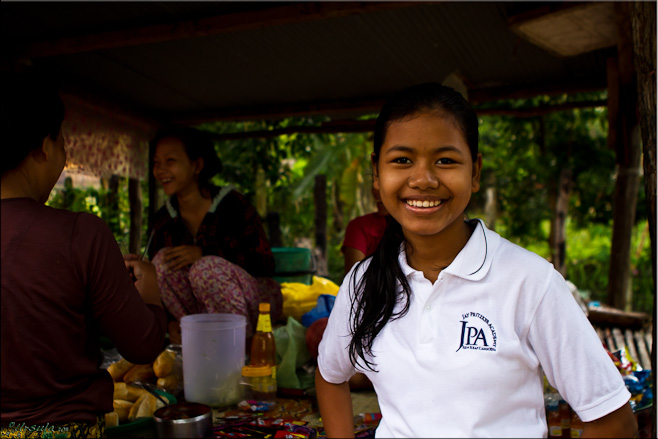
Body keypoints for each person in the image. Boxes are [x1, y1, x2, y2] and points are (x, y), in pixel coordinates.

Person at [315, 83, 638, 438]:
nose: (423, 179)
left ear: (476, 171)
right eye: (402, 160)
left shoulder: (530, 282)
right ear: (377, 173)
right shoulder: (362, 282)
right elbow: (330, 375)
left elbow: (613, 420)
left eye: (446, 161)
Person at [1, 72, 167, 438]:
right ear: (45, 145)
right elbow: (143, 346)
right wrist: (150, 293)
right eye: (62, 141)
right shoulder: (79, 234)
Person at [146, 127, 282, 341]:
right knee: (160, 264)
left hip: (257, 305)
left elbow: (264, 264)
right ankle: (199, 342)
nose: (161, 170)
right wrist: (169, 321)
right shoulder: (162, 220)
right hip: (202, 313)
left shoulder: (233, 205)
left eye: (170, 161)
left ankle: (238, 350)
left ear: (197, 165)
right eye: (156, 163)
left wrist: (205, 253)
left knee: (204, 269)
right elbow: (154, 282)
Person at [341, 186, 388, 274]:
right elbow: (355, 282)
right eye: (373, 184)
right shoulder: (361, 226)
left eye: (383, 184)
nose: (376, 190)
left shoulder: (415, 229)